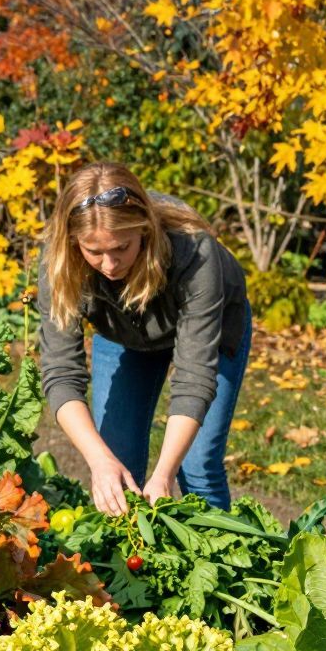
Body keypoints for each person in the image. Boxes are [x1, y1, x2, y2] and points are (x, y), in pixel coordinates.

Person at [39, 162, 252, 515]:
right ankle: (132, 565)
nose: (109, 265)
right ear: (74, 242)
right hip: (125, 334)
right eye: (94, 251)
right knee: (115, 461)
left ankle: (221, 564)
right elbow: (61, 374)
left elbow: (195, 377)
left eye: (121, 247)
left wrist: (164, 474)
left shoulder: (194, 251)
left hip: (210, 330)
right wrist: (98, 461)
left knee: (197, 465)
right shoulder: (58, 261)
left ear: (145, 230)